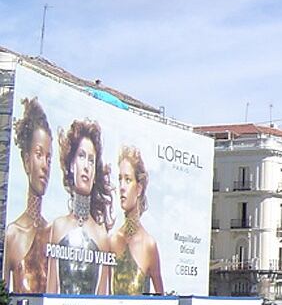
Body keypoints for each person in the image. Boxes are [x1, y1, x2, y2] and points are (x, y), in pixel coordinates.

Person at [47, 119, 114, 295]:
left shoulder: (101, 235)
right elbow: (50, 290)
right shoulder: (58, 227)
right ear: (71, 165)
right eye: (82, 156)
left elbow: (102, 295)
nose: (86, 166)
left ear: (95, 173)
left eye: (91, 160)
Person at [4, 97, 52, 293]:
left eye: (49, 158)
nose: (44, 166)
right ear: (26, 160)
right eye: (39, 154)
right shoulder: (13, 234)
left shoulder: (51, 233)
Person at [109, 146, 163, 294]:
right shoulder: (113, 240)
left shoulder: (149, 245)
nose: (121, 187)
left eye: (127, 180)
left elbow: (161, 298)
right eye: (120, 179)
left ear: (139, 189)